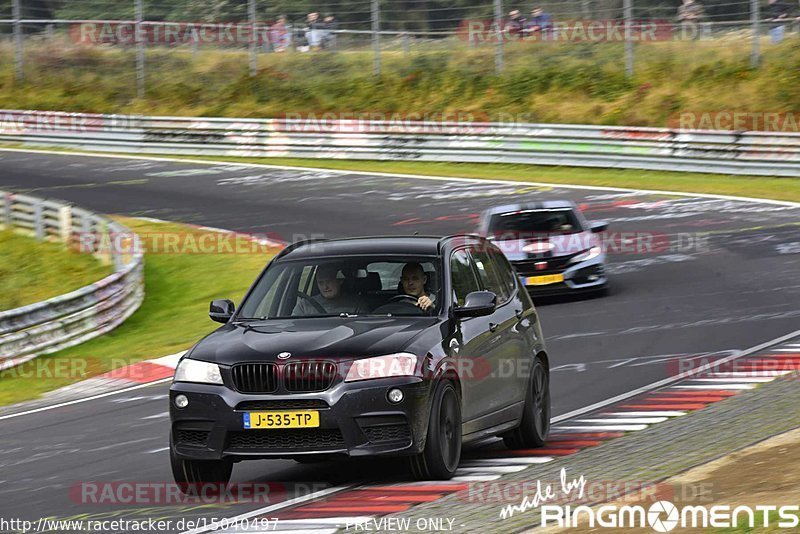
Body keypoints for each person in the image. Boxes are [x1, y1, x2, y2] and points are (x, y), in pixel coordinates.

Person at [293, 265, 366, 315]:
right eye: (321, 283)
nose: (325, 287)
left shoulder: (355, 305)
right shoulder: (304, 305)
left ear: (340, 281)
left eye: (329, 281)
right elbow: (293, 329)